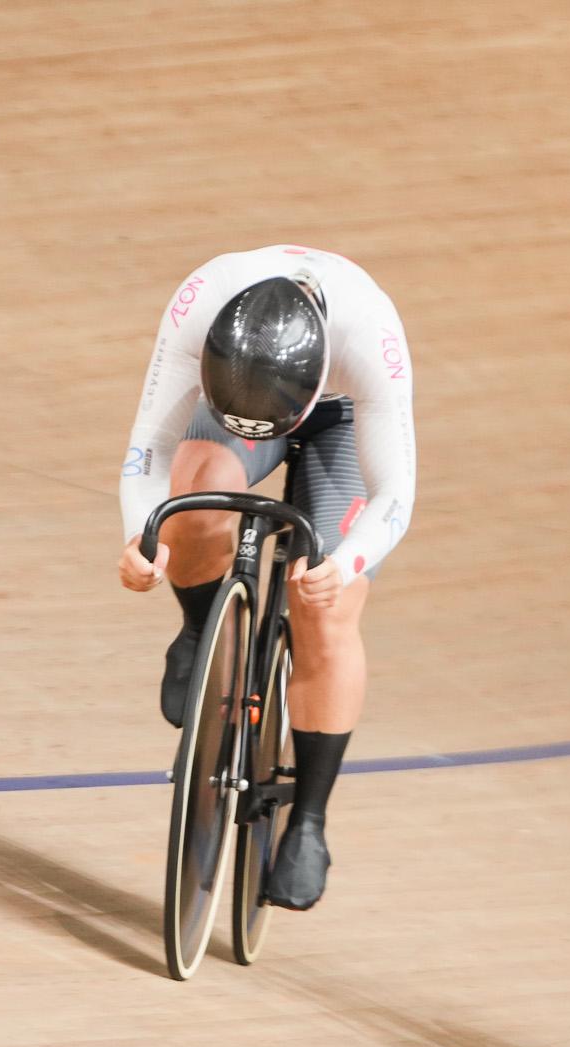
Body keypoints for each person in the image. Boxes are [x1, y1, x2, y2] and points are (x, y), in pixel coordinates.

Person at [116, 245, 416, 912]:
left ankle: (308, 818)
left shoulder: (368, 335)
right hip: (236, 401)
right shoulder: (201, 303)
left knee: (328, 608)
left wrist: (346, 564)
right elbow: (150, 447)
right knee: (193, 500)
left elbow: (396, 490)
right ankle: (199, 628)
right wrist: (142, 539)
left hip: (340, 418)